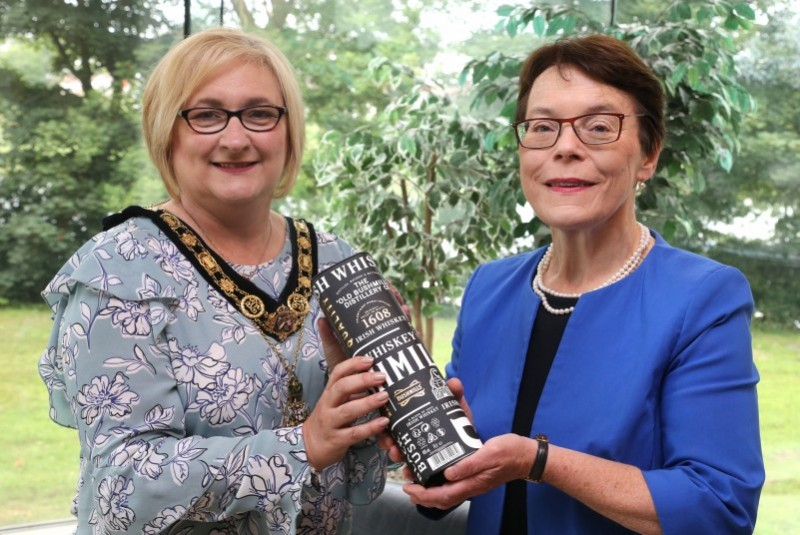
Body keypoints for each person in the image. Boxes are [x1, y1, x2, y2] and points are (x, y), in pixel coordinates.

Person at [384, 35, 764, 534]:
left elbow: (719, 506)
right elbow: (460, 478)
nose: (565, 147)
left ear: (648, 156)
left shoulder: (703, 298)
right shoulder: (489, 289)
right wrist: (435, 454)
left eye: (598, 127)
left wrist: (538, 461)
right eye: (542, 127)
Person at [38, 27, 390, 534]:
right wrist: (300, 446)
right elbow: (121, 487)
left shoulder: (337, 261)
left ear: (288, 129)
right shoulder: (118, 270)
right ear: (167, 131)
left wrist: (398, 413)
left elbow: (352, 469)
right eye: (205, 115)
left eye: (260, 113)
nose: (236, 138)